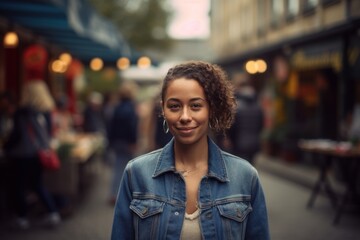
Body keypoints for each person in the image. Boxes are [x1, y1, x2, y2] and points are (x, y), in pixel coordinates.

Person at [111, 61, 270, 239]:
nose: (185, 117)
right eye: (174, 106)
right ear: (163, 109)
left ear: (211, 108)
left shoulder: (245, 176)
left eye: (195, 106)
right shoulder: (137, 173)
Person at [4, 81, 61, 230]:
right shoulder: (46, 111)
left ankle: (22, 217)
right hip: (39, 153)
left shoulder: (22, 112)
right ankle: (52, 212)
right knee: (37, 184)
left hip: (22, 154)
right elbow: (48, 134)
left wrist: (6, 147)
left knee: (19, 186)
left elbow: (16, 135)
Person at [107, 82, 139, 205]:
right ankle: (119, 195)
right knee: (127, 169)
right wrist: (134, 141)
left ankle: (115, 193)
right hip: (127, 142)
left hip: (117, 142)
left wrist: (110, 142)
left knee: (118, 167)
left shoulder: (116, 107)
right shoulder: (130, 108)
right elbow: (132, 127)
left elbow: (111, 127)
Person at [228, 74, 264, 165]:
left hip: (240, 143)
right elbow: (261, 125)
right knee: (250, 167)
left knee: (240, 168)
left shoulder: (237, 107)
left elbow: (233, 127)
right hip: (254, 143)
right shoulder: (258, 107)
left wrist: (230, 139)